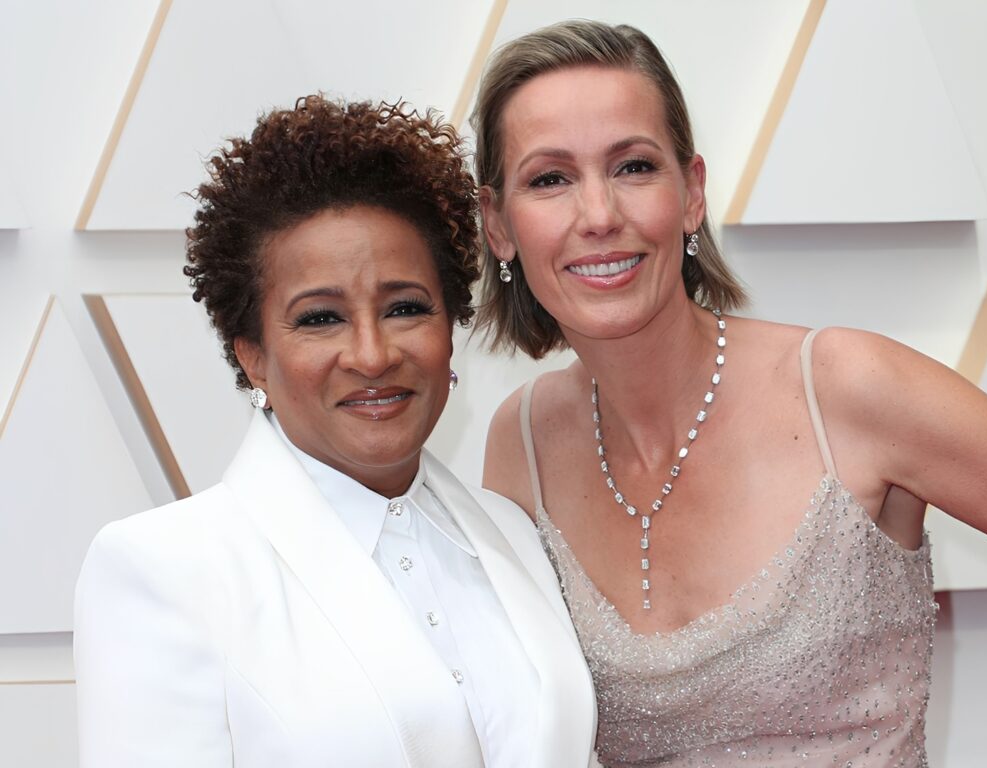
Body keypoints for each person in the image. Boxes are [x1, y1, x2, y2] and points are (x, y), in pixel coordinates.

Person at [473, 20, 987, 768]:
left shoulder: (844, 388)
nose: (599, 215)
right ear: (498, 224)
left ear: (692, 193)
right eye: (550, 179)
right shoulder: (523, 442)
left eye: (633, 167)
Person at [74, 95, 598, 768]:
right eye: (321, 318)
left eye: (405, 308)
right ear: (251, 354)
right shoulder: (164, 570)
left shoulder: (513, 531)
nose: (372, 355)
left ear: (450, 327)